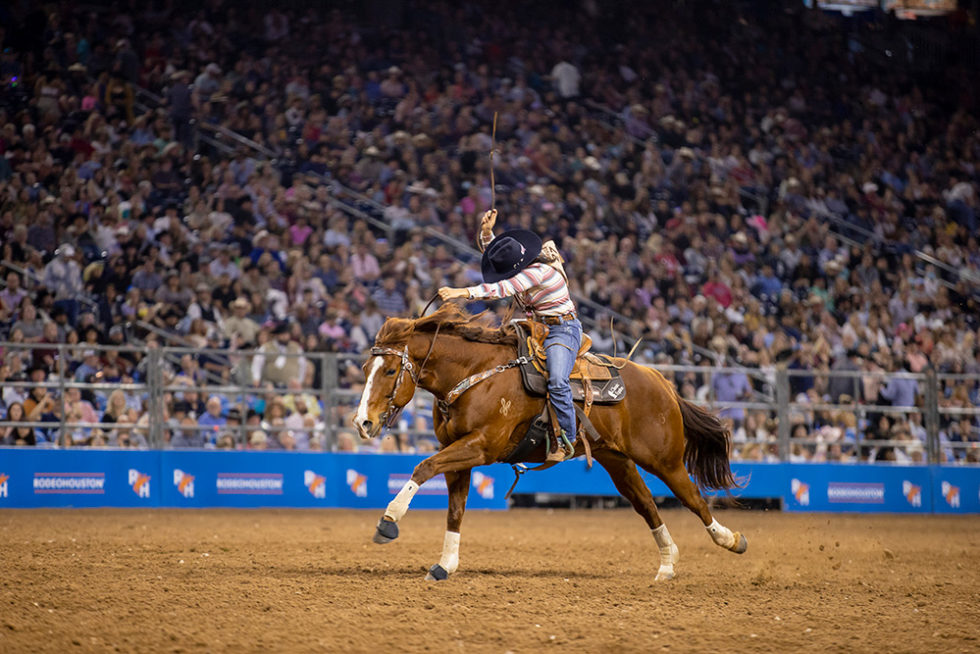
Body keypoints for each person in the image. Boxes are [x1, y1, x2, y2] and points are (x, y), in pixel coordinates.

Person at [438, 209, 581, 461]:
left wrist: (461, 293)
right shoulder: (524, 265)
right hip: (537, 329)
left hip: (563, 329)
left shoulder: (538, 273)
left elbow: (502, 288)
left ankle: (567, 438)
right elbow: (498, 256)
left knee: (558, 380)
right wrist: (485, 233)